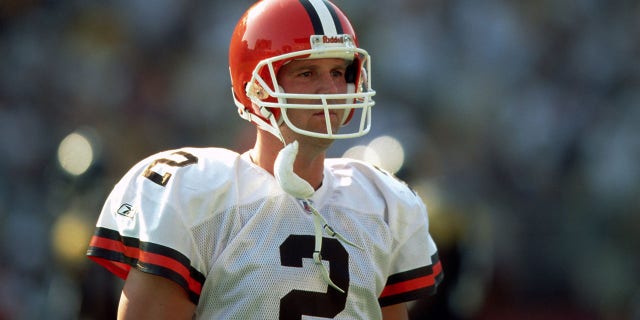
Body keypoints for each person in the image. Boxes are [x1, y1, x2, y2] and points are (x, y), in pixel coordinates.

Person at [86, 0, 443, 319]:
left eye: (338, 73)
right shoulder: (197, 196)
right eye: (307, 73)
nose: (331, 91)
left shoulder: (381, 204)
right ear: (255, 88)